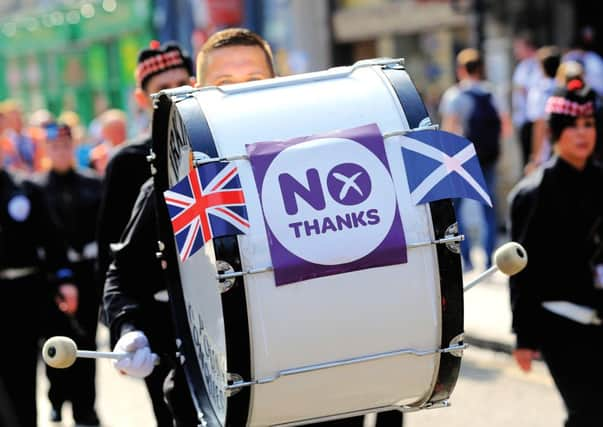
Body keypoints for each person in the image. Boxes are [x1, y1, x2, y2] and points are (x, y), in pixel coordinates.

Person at [102, 28, 273, 426]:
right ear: (201, 91)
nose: (240, 92)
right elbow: (124, 272)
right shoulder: (174, 179)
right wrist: (129, 328)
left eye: (255, 80)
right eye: (224, 83)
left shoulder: (314, 160)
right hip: (211, 384)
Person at [508, 78, 603, 427]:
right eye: (573, 126)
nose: (582, 134)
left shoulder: (599, 180)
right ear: (555, 132)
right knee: (588, 413)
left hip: (599, 311)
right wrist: (523, 336)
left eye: (589, 124)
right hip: (560, 322)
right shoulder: (532, 194)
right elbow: (520, 270)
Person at [0, 135, 78, 427]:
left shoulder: (24, 188)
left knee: (20, 372)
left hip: (23, 291)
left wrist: (65, 280)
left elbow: (51, 238)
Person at [35, 122, 102, 425]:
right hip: (50, 280)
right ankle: (56, 397)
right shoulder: (36, 188)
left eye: (65, 146)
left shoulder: (91, 183)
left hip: (86, 274)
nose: (60, 152)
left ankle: (84, 407)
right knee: (54, 342)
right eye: (54, 147)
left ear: (73, 147)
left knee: (86, 344)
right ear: (46, 150)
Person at [440, 48, 508, 271]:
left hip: (462, 159)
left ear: (461, 70)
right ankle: (489, 260)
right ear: (480, 68)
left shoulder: (455, 96)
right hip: (488, 157)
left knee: (457, 208)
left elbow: (448, 132)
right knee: (488, 208)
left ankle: (468, 259)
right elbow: (505, 127)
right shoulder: (491, 93)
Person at [524, 46, 561, 175]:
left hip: (546, 152)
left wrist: (535, 157)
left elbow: (539, 125)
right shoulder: (564, 88)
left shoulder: (539, 91)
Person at [512, 32, 542, 166]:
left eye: (519, 47)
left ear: (529, 48)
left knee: (534, 158)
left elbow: (532, 88)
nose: (516, 51)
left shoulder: (537, 64)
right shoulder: (522, 66)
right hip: (522, 119)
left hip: (534, 119)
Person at [90, 109, 128, 175]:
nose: (117, 134)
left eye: (120, 129)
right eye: (113, 130)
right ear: (104, 132)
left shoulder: (135, 149)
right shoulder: (97, 156)